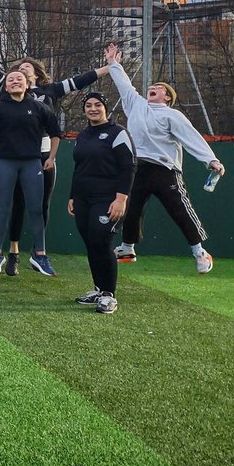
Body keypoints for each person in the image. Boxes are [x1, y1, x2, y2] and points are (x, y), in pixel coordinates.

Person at [0, 21, 111, 274]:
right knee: (14, 204)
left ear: (35, 74)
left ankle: (39, 253)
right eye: (18, 69)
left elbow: (80, 81)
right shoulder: (7, 93)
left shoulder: (49, 91)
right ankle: (12, 252)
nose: (22, 70)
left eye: (26, 68)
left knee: (40, 205)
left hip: (42, 155)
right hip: (15, 154)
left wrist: (110, 67)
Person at [106, 43, 224, 273]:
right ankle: (127, 249)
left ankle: (200, 253)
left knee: (180, 210)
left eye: (159, 88)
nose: (153, 88)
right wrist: (113, 63)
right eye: (152, 86)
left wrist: (211, 160)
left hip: (165, 170)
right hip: (137, 167)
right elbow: (124, 84)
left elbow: (191, 137)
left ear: (167, 97)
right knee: (130, 208)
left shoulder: (172, 115)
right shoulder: (136, 104)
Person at [0, 68, 63, 276]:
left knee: (36, 209)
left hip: (32, 163)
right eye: (11, 79)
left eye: (19, 79)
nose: (15, 82)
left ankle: (40, 255)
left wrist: (51, 158)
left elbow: (55, 133)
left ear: (27, 84)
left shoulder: (39, 107)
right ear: (6, 86)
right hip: (5, 163)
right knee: (3, 208)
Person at [69, 92, 134, 314]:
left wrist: (121, 199)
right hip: (83, 199)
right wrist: (72, 196)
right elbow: (79, 168)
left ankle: (108, 295)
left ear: (106, 108)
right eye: (88, 105)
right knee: (91, 243)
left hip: (107, 199)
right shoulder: (83, 135)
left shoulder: (118, 133)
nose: (93, 109)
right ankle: (98, 289)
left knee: (101, 242)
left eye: (98, 105)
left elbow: (128, 167)